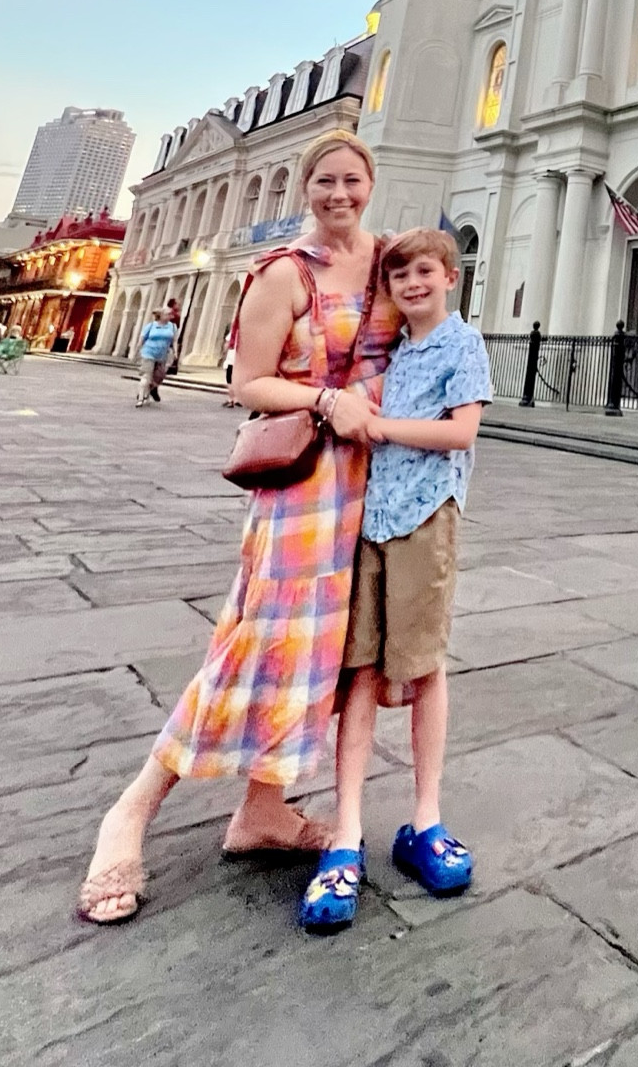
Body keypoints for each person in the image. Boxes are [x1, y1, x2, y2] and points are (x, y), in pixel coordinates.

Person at [76, 129, 400, 926]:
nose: (338, 194)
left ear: (370, 183)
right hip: (301, 492)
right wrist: (328, 400)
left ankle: (263, 811)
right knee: (259, 645)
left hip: (372, 492)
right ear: (305, 187)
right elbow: (249, 383)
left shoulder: (389, 260)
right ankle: (131, 811)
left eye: (351, 180)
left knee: (321, 658)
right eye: (323, 181)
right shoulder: (283, 273)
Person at [298, 226, 492, 934]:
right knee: (359, 674)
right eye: (399, 274)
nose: (411, 283)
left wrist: (380, 426)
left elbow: (463, 432)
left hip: (424, 518)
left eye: (424, 271)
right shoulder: (395, 351)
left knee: (425, 667)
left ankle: (425, 820)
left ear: (450, 277)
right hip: (371, 521)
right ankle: (345, 832)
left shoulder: (461, 343)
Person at [134, 309, 177, 407]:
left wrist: (175, 352)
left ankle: (146, 392)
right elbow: (142, 339)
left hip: (162, 355)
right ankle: (141, 398)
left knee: (158, 378)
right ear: (160, 315)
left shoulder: (172, 327)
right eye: (167, 314)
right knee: (146, 376)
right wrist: (137, 352)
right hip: (148, 353)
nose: (170, 316)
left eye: (170, 314)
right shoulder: (151, 326)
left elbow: (174, 340)